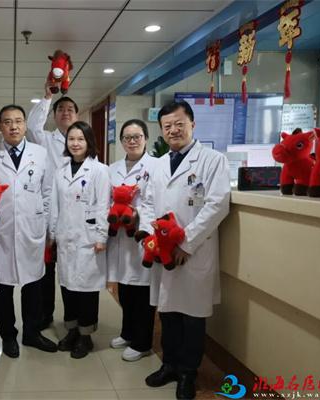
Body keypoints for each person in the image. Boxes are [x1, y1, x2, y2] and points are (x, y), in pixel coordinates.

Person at [138, 100, 230, 400]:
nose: (173, 130)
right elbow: (147, 202)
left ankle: (188, 373)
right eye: (167, 126)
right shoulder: (158, 164)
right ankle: (169, 365)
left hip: (194, 252)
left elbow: (217, 205)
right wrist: (151, 238)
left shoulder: (213, 161)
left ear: (192, 124)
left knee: (192, 317)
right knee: (168, 313)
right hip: (163, 253)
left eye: (179, 124)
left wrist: (186, 243)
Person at [0, 104, 57, 359]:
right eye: (7, 122)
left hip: (32, 229)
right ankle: (8, 336)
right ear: (0, 127)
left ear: (25, 125)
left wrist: (48, 227)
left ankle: (32, 333)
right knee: (3, 288)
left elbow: (47, 193)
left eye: (18, 121)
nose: (13, 126)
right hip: (1, 230)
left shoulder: (41, 153)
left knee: (33, 284)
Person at [48, 121, 110, 359]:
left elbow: (103, 205)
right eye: (71, 139)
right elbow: (55, 205)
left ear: (89, 142)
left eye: (80, 139)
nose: (75, 143)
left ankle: (86, 336)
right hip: (65, 237)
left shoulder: (99, 170)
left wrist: (101, 236)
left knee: (86, 290)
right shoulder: (60, 171)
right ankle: (72, 330)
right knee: (67, 287)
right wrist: (53, 234)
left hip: (89, 238)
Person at [27, 82, 79, 330]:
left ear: (77, 115)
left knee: (71, 272)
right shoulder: (46, 139)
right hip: (48, 214)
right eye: (61, 109)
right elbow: (32, 126)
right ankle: (44, 315)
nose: (65, 113)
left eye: (70, 109)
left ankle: (72, 318)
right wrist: (48, 97)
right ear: (54, 115)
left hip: (74, 217)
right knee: (46, 270)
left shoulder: (83, 143)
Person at [106, 119, 158, 362]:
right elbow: (107, 198)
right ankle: (127, 333)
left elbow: (155, 202)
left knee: (142, 292)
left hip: (141, 237)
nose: (132, 141)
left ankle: (142, 342)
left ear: (146, 138)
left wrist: (138, 218)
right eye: (127, 137)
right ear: (121, 141)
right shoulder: (113, 168)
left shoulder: (156, 166)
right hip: (120, 237)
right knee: (125, 289)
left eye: (137, 136)